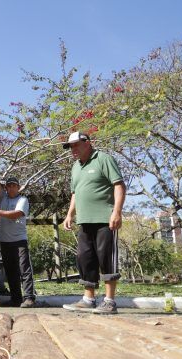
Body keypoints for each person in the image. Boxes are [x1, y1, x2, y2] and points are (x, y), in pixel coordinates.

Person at [61, 131, 126, 314]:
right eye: (70, 146)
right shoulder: (75, 167)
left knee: (106, 259)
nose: (72, 149)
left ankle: (109, 301)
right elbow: (76, 193)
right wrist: (69, 215)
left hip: (106, 220)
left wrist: (117, 212)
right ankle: (88, 299)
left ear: (87, 143)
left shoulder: (103, 159)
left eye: (76, 145)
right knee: (85, 259)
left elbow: (119, 185)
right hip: (84, 221)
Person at [0, 174, 36, 308]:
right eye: (9, 186)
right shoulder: (2, 198)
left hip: (19, 241)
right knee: (11, 270)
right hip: (5, 241)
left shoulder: (22, 199)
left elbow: (17, 214)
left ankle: (29, 298)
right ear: (6, 188)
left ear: (18, 188)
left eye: (14, 186)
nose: (12, 188)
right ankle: (16, 298)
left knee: (24, 269)